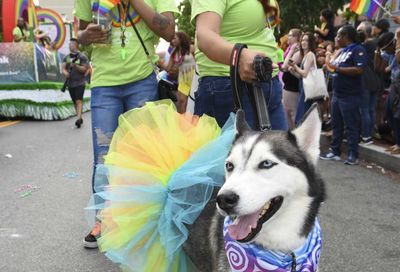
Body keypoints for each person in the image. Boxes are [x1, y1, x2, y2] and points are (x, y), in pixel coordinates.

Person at [74, 0, 177, 249]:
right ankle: (103, 220)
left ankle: (143, 222)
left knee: (142, 156)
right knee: (104, 158)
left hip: (141, 79)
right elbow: (82, 35)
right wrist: (84, 36)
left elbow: (168, 30)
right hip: (104, 83)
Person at [191, 0, 288, 130]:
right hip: (230, 88)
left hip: (269, 86)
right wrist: (240, 56)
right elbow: (204, 36)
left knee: (280, 150)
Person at [320, 25, 367, 165]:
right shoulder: (342, 51)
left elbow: (359, 69)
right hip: (337, 94)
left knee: (351, 125)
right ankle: (335, 151)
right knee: (336, 124)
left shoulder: (358, 49)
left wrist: (338, 69)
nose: (336, 38)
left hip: (350, 95)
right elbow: (334, 66)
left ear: (345, 36)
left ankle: (353, 155)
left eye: (338, 35)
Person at [374, 31, 400, 154]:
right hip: (394, 84)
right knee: (389, 112)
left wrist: (398, 40)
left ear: (392, 44)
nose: (386, 51)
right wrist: (377, 51)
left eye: (386, 48)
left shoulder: (397, 51)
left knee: (397, 114)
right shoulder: (389, 53)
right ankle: (397, 142)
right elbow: (378, 68)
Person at [357, 21, 380, 145]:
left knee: (365, 109)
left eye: (360, 30)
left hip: (365, 81)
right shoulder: (376, 43)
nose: (357, 32)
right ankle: (369, 135)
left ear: (366, 32)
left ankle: (365, 136)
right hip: (375, 80)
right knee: (370, 109)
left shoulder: (365, 45)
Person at [159, 31, 194, 113]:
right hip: (182, 78)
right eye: (172, 39)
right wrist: (160, 62)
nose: (172, 41)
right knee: (181, 101)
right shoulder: (174, 52)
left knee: (192, 101)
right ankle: (182, 122)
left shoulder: (191, 48)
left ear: (181, 39)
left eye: (174, 38)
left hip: (193, 78)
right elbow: (168, 68)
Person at [287, 32, 317, 125]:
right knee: (303, 115)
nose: (304, 42)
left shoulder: (310, 55)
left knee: (302, 116)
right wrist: (293, 71)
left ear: (311, 42)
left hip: (307, 89)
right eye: (303, 40)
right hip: (303, 87)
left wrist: (294, 65)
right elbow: (300, 76)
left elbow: (304, 74)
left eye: (307, 40)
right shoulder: (306, 56)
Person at [61, 38, 90, 128]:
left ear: (76, 45)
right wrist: (65, 73)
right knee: (74, 101)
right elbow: (63, 68)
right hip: (70, 83)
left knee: (79, 100)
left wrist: (76, 66)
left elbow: (85, 68)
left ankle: (78, 119)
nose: (70, 45)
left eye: (71, 44)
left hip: (80, 82)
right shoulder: (67, 57)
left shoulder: (82, 56)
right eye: (69, 44)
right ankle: (79, 117)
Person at [281, 29, 302, 129]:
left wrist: (292, 51)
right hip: (287, 86)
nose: (287, 37)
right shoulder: (290, 48)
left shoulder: (297, 50)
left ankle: (296, 138)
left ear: (297, 38)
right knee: (287, 114)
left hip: (293, 88)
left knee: (293, 114)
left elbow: (285, 66)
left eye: (290, 35)